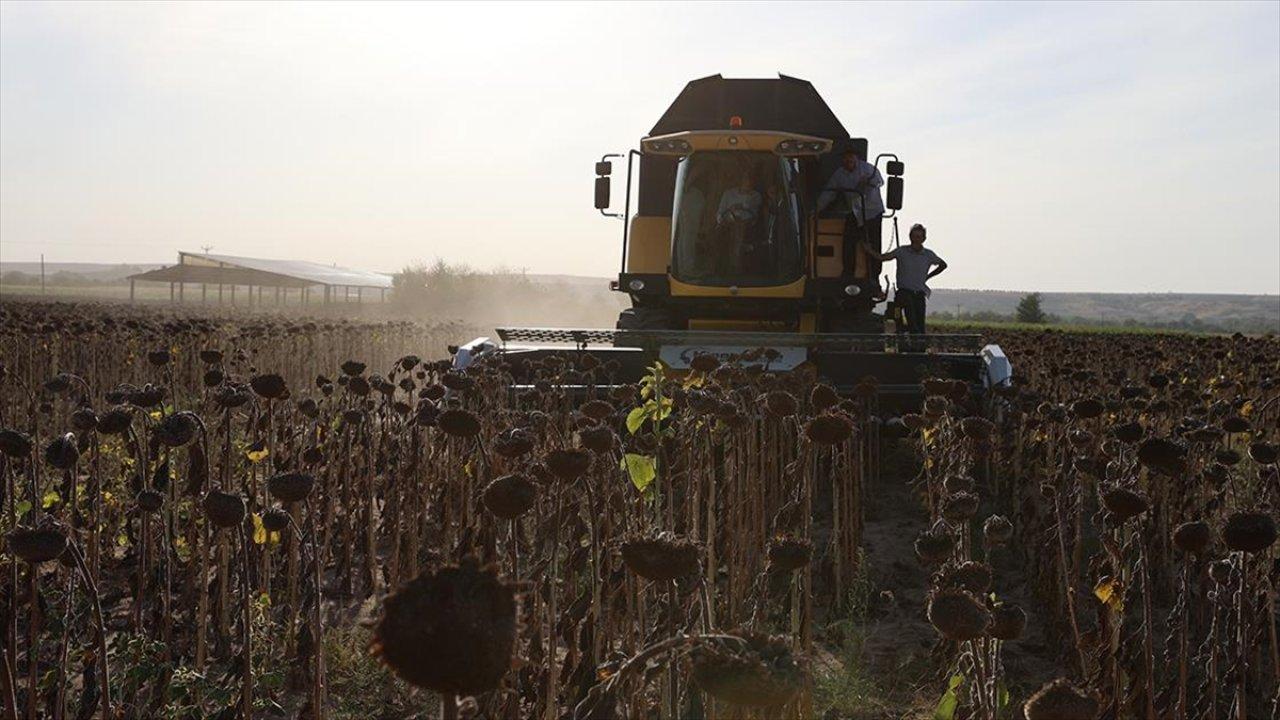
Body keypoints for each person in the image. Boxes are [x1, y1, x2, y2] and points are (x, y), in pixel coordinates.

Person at [816, 148, 884, 276]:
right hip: (854, 211)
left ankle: (874, 275)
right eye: (846, 158)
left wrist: (868, 182)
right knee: (848, 242)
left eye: (851, 157)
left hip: (872, 213)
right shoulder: (839, 174)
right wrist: (817, 208)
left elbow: (880, 181)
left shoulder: (868, 169)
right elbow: (829, 192)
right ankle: (848, 273)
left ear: (856, 158)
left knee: (874, 245)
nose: (848, 161)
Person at [868, 223, 946, 334]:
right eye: (914, 236)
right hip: (904, 293)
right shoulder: (901, 251)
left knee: (919, 323)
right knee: (910, 320)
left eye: (919, 237)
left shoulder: (928, 255)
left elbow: (943, 265)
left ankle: (919, 347)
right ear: (910, 237)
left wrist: (928, 276)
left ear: (924, 238)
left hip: (919, 294)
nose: (916, 239)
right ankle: (909, 338)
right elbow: (882, 257)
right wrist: (869, 250)